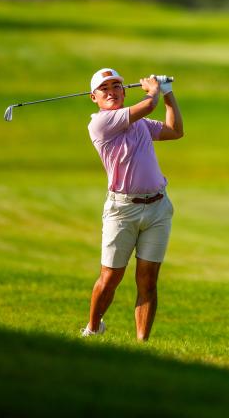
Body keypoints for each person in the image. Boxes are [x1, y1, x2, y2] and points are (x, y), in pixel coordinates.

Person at [81, 68, 184, 340]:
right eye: (104, 89)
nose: (111, 92)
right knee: (110, 278)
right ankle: (93, 328)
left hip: (158, 208)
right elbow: (149, 105)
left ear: (124, 92)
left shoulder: (139, 124)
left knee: (148, 280)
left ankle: (142, 344)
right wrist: (153, 90)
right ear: (94, 97)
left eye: (116, 86)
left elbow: (175, 131)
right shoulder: (100, 123)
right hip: (122, 210)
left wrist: (169, 94)